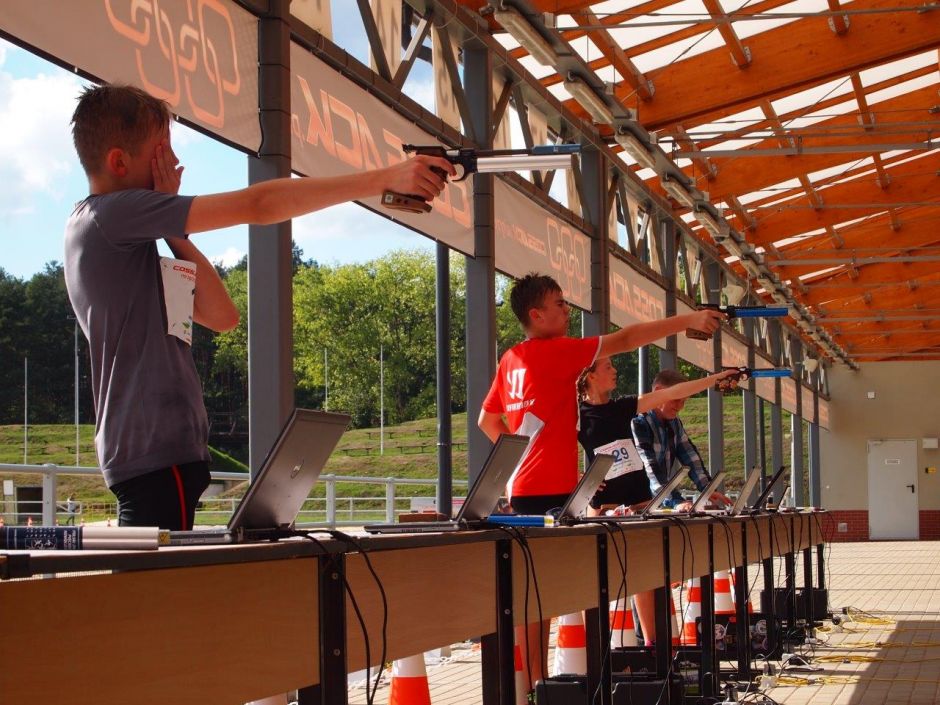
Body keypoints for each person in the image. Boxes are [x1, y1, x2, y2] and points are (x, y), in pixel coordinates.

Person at [65, 84, 455, 531]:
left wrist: (174, 229)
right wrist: (382, 179)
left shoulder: (121, 242)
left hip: (161, 455)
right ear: (119, 162)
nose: (174, 164)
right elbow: (259, 204)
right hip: (154, 455)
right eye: (162, 153)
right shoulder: (110, 215)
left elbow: (221, 315)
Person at [477, 273, 725, 693]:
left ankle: (535, 687)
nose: (567, 310)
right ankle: (541, 688)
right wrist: (687, 320)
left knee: (532, 598)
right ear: (537, 315)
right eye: (559, 304)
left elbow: (487, 420)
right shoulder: (556, 351)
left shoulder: (510, 359)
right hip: (554, 494)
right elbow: (626, 338)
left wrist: (518, 459)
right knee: (549, 595)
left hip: (525, 491)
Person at [577, 357, 740, 645]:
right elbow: (554, 448)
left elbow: (676, 406)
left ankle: (655, 647)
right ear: (589, 375)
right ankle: (599, 648)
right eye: (608, 367)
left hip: (640, 504)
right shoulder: (579, 415)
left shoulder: (625, 407)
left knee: (647, 577)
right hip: (603, 508)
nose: (615, 370)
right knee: (599, 581)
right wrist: (578, 477)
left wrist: (716, 378)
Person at [632, 369, 734, 514]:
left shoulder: (674, 423)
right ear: (658, 391)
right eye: (676, 399)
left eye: (684, 401)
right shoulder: (638, 421)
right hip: (634, 505)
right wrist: (676, 501)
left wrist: (708, 488)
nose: (680, 406)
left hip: (656, 503)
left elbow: (690, 457)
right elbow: (651, 468)